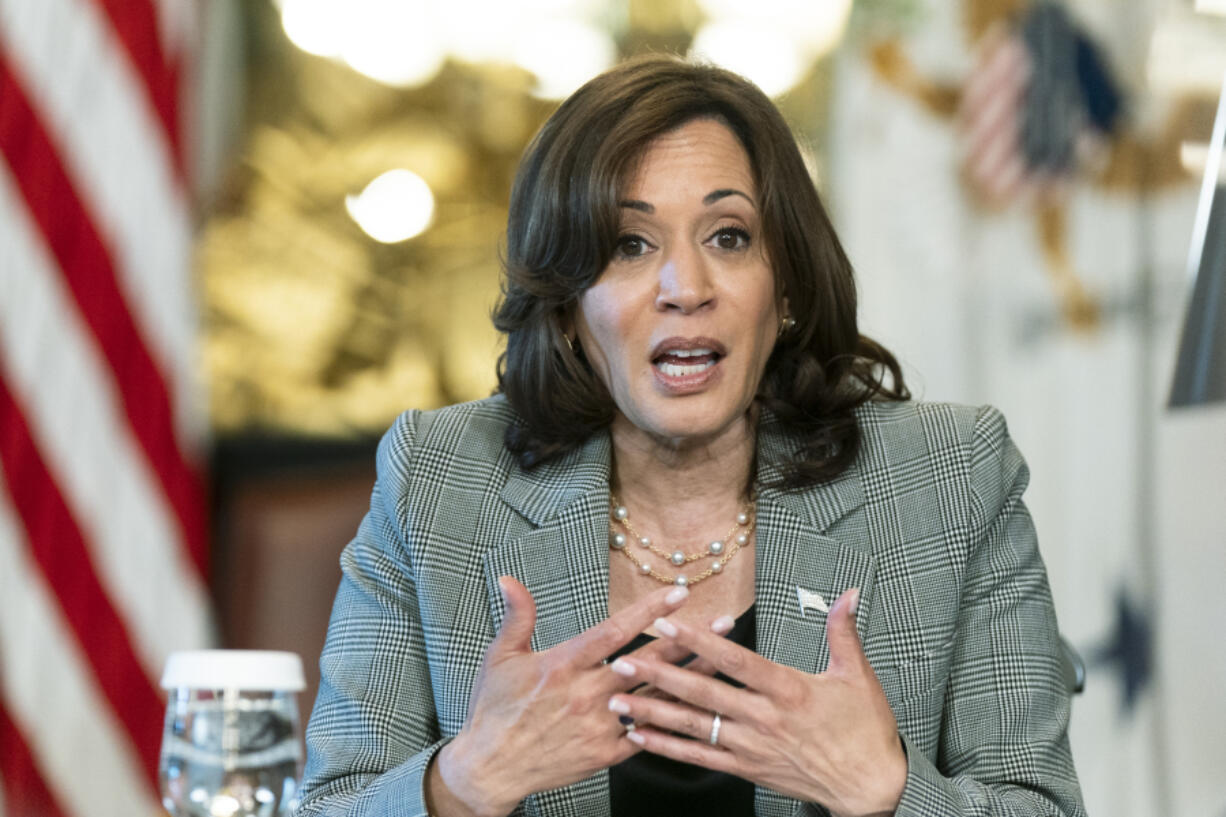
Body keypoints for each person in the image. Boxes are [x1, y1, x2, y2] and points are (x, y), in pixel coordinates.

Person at [296, 54, 1085, 817]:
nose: (687, 289)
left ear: (785, 287)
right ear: (568, 306)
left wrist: (887, 791)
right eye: (629, 244)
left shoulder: (949, 479)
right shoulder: (437, 481)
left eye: (729, 236)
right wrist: (461, 785)